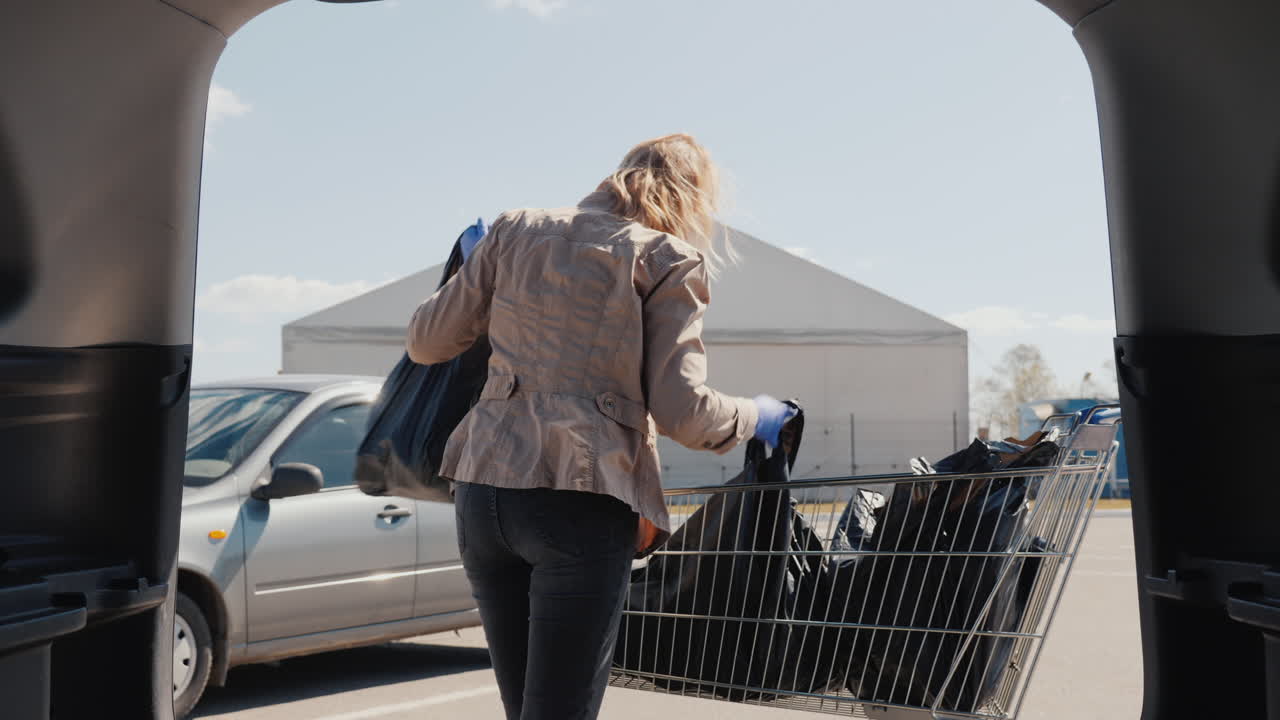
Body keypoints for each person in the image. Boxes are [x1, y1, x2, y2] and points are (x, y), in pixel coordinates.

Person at [405, 133, 795, 720]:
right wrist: (757, 415)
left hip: (483, 491)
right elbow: (685, 413)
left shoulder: (514, 230)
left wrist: (476, 260)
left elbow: (426, 343)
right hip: (581, 500)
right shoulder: (666, 257)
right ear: (692, 198)